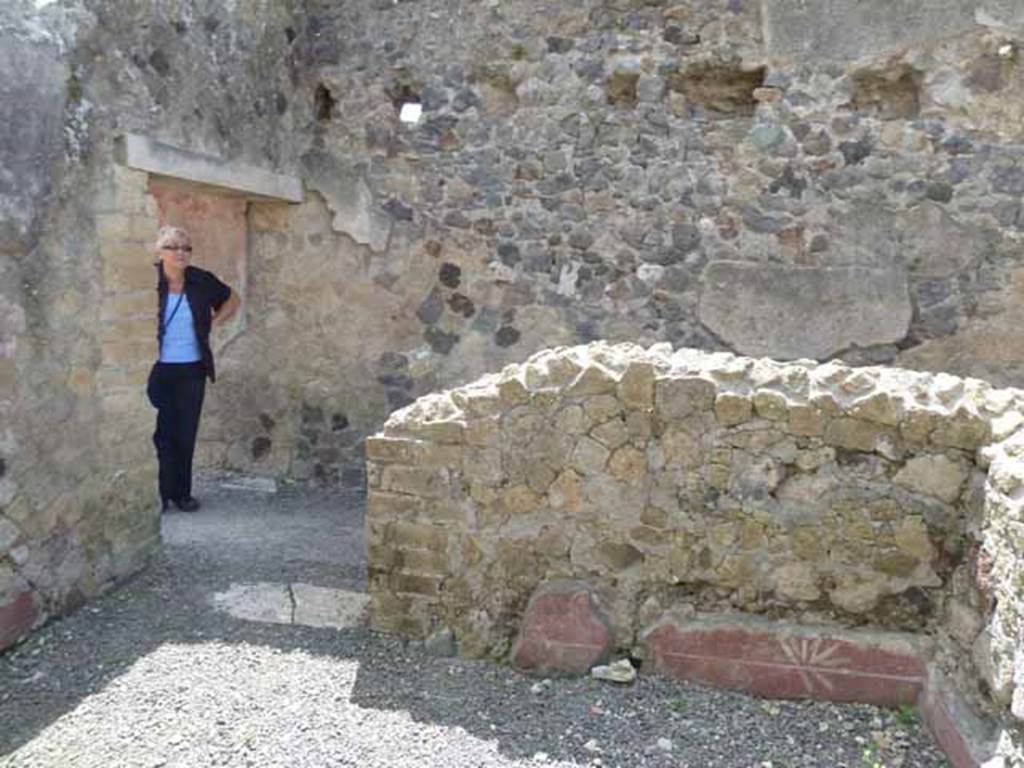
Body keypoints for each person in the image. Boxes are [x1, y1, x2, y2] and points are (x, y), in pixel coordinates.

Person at [146, 226, 240, 512]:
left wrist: (212, 322)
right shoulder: (148, 280)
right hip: (156, 369)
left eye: (186, 248)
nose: (180, 253)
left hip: (191, 368)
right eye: (173, 247)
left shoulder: (200, 280)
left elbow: (232, 300)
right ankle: (159, 495)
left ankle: (182, 494)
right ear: (159, 251)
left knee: (185, 433)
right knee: (160, 434)